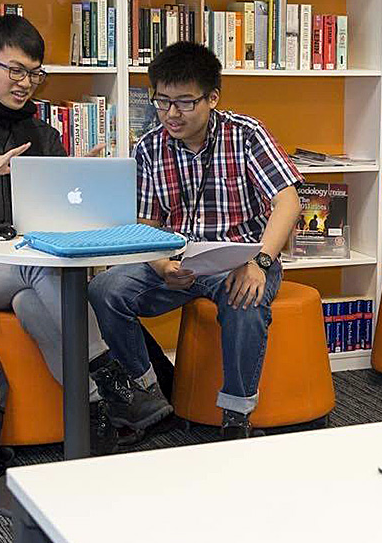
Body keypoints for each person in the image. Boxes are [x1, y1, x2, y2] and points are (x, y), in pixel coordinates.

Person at [0, 14, 169, 456]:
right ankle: (114, 378)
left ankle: (93, 410)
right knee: (38, 266)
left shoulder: (43, 135)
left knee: (33, 295)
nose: (26, 83)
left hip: (36, 275)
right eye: (16, 71)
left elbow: (66, 221)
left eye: (35, 73)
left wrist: (82, 180)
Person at [88, 42, 303, 440]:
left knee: (245, 300)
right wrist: (160, 265)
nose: (172, 114)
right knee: (105, 288)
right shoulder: (149, 147)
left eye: (185, 103)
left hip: (242, 257)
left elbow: (288, 202)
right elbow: (146, 223)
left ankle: (236, 416)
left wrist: (260, 263)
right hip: (178, 260)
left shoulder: (246, 135)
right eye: (162, 101)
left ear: (212, 98)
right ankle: (148, 393)